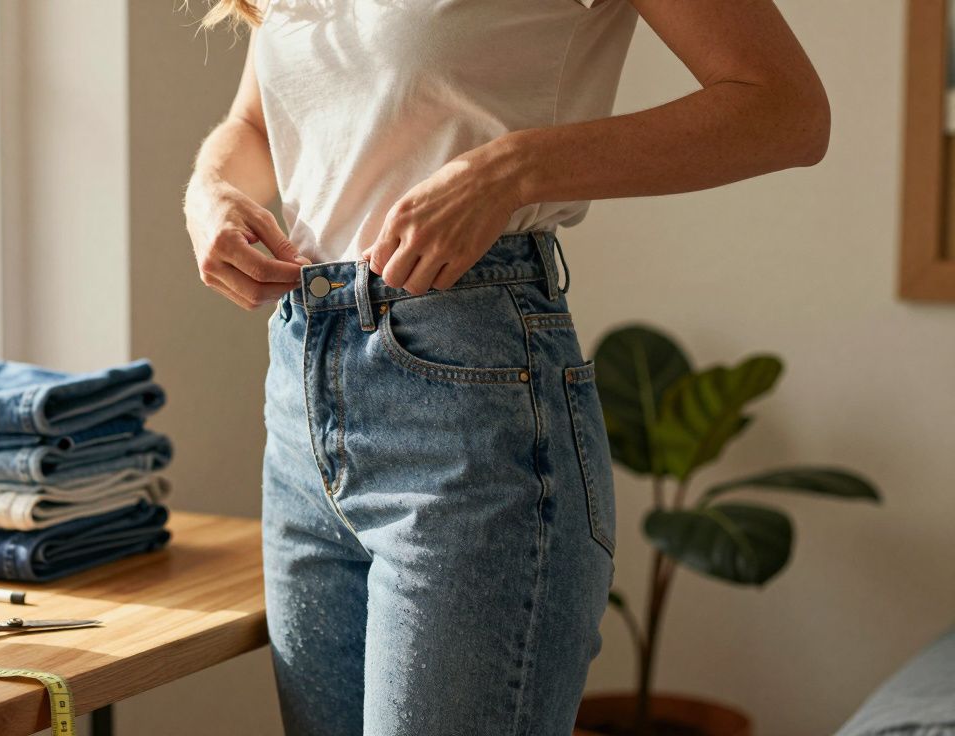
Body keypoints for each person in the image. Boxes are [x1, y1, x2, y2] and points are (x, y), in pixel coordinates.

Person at [182, 1, 828, 734]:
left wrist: (511, 168)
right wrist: (209, 192)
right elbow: (258, 124)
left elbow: (785, 108)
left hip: (470, 403)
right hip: (301, 402)